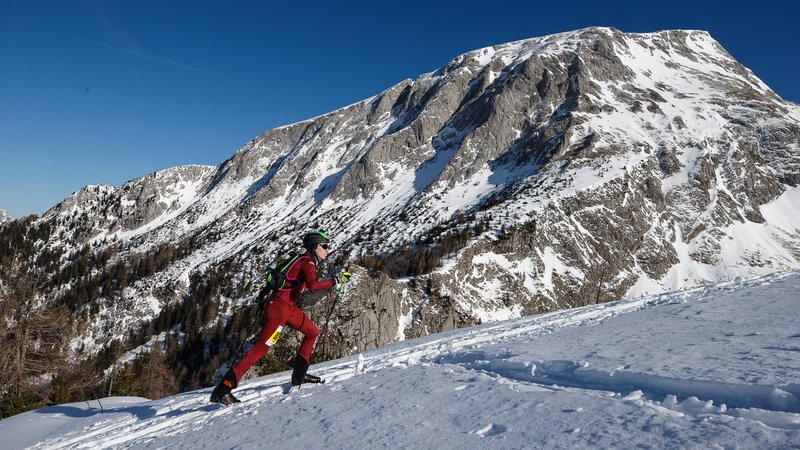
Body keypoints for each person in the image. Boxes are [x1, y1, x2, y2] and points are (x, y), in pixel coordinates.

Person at [210, 230, 351, 405]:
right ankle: (223, 389)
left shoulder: (299, 258)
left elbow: (274, 280)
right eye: (325, 246)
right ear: (315, 247)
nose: (327, 250)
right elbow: (313, 286)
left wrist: (262, 299)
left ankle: (299, 376)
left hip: (285, 308)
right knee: (259, 349)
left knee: (312, 331)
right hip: (279, 311)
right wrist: (335, 280)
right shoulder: (308, 262)